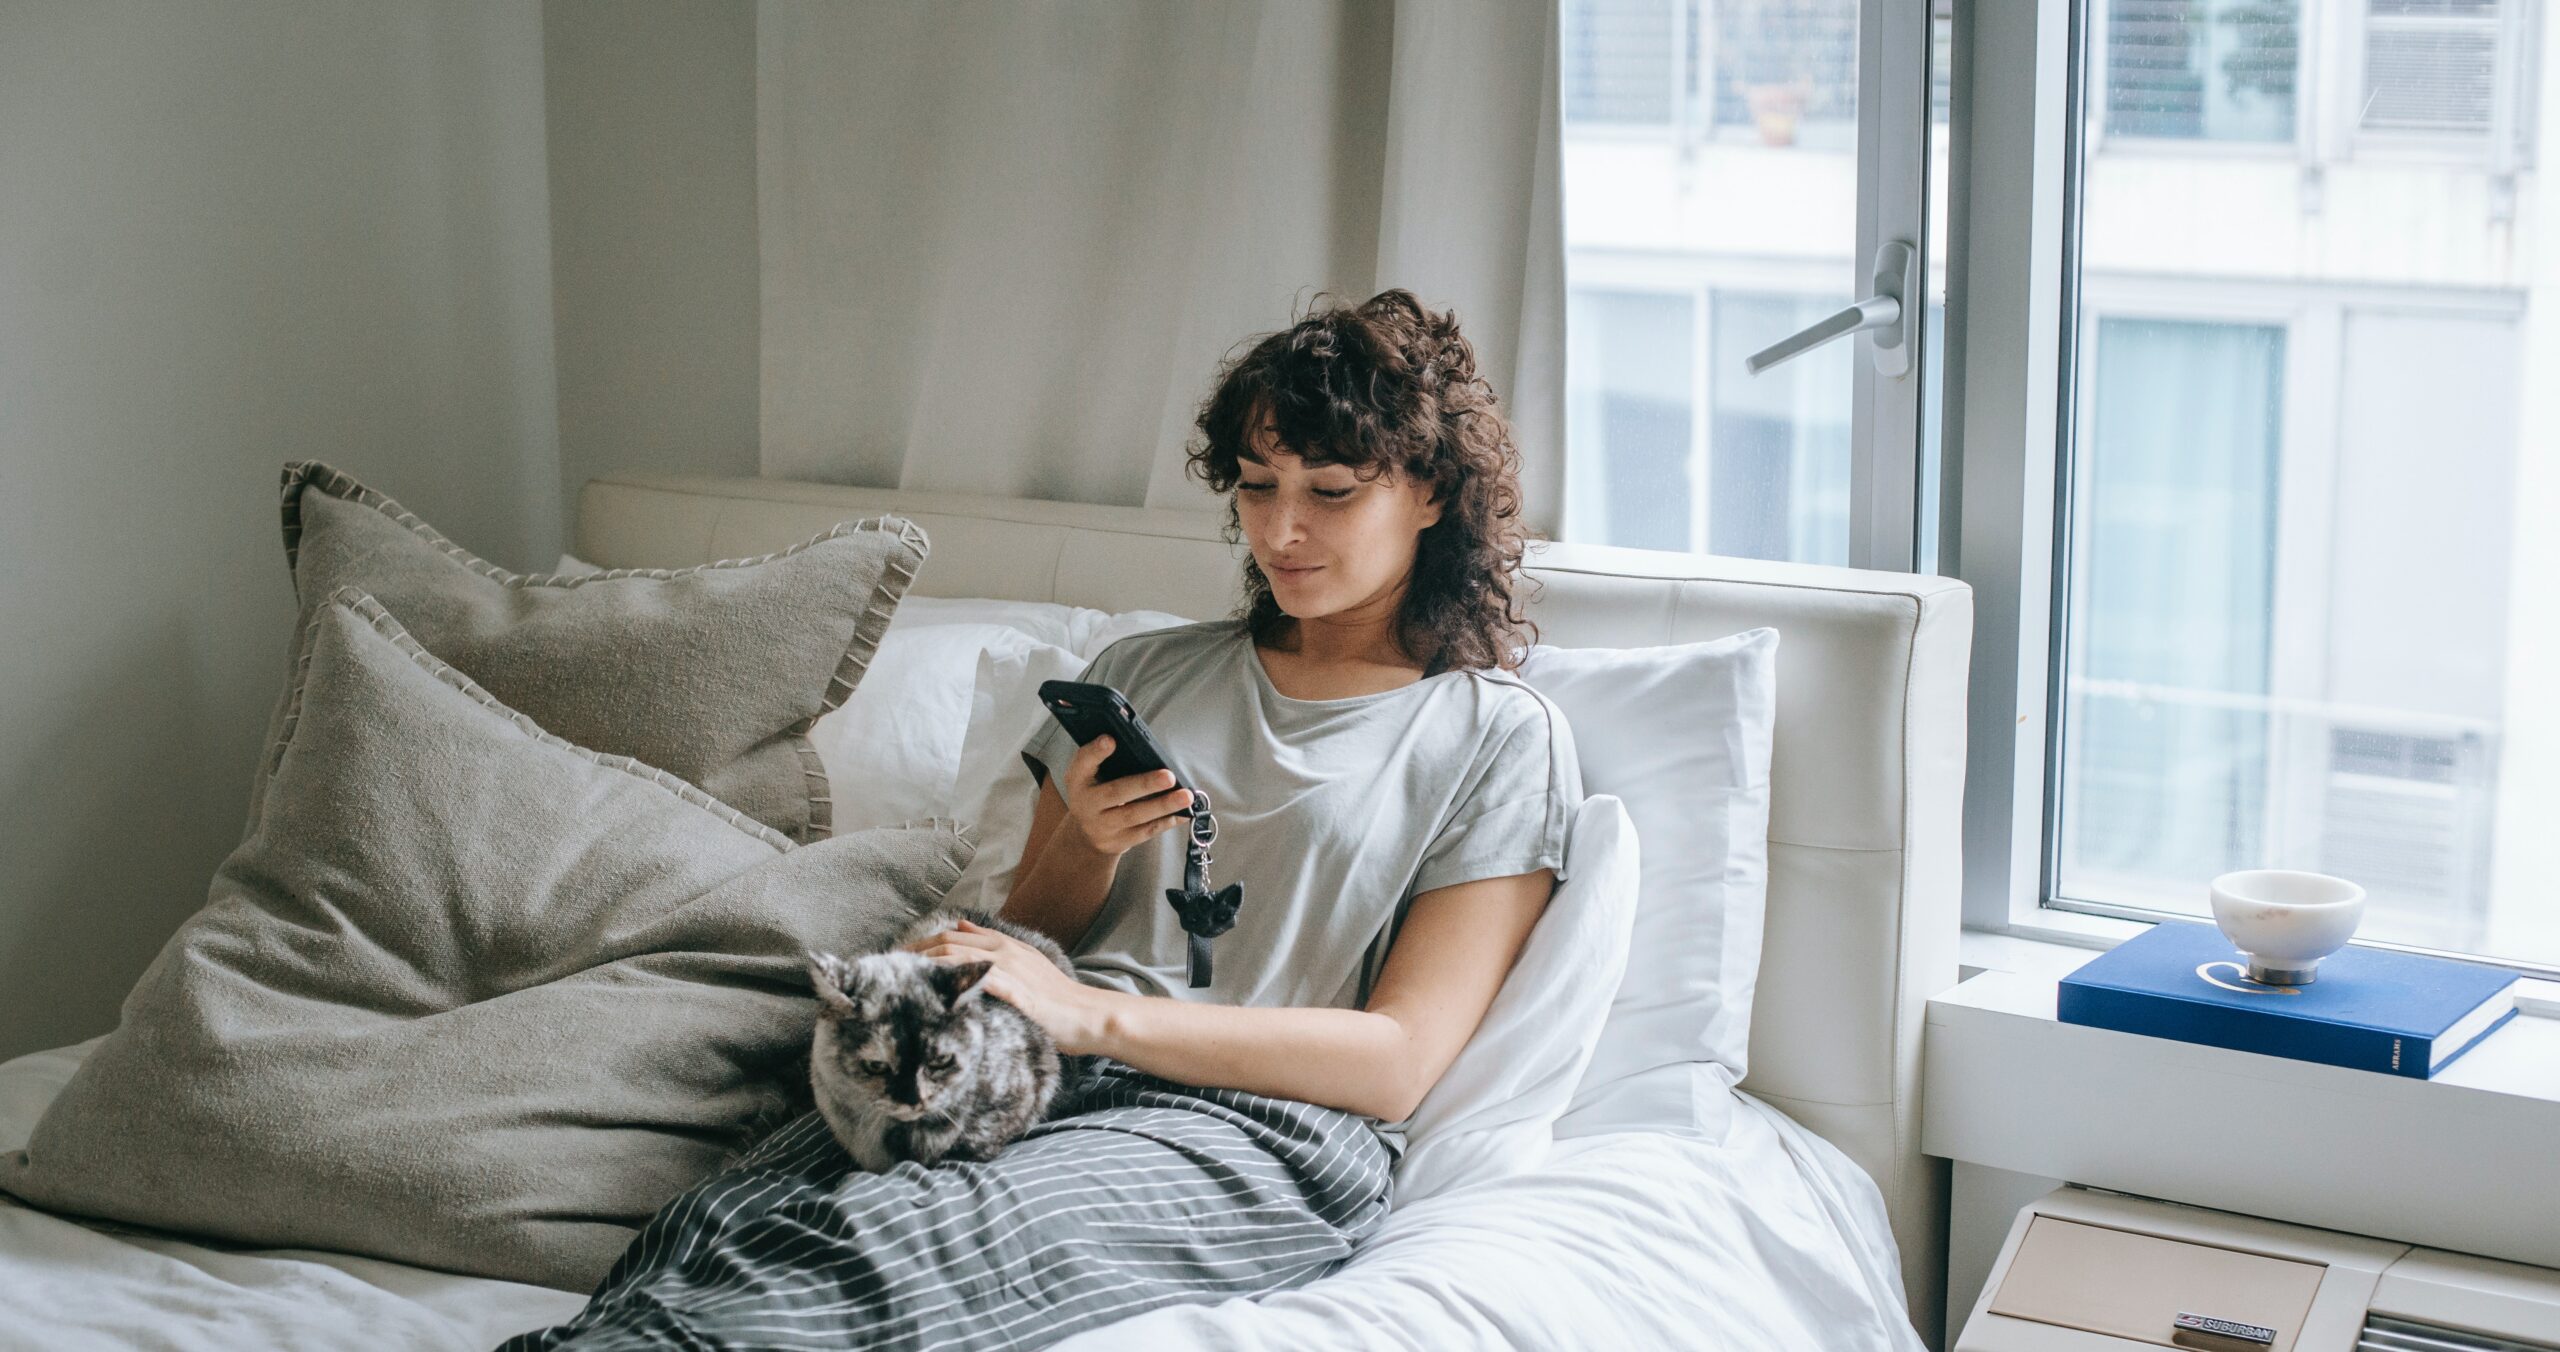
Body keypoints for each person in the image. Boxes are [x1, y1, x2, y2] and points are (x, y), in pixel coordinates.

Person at [503, 288, 1581, 1350]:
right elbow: (1029, 931)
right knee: (712, 1224)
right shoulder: (1144, 671)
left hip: (1252, 1122)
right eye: (1256, 485)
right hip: (1016, 1062)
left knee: (890, 1242)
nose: (1281, 528)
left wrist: (1090, 1016)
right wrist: (1085, 844)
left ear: (1433, 492)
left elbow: (1397, 1058)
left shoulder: (1494, 736)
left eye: (1332, 491)